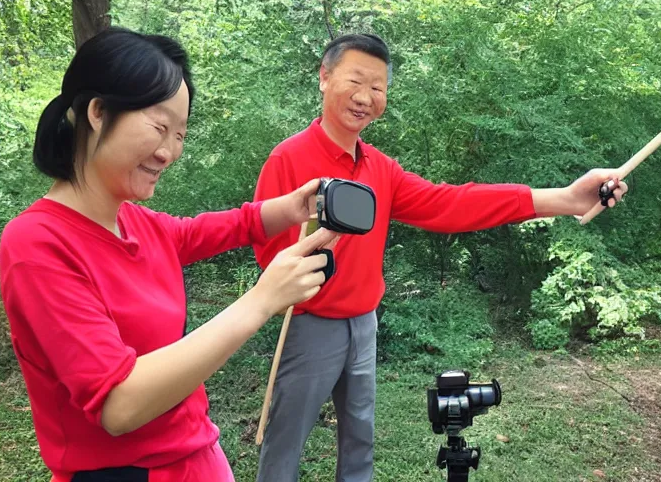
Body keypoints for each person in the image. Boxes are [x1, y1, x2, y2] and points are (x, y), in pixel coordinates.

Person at [252, 33, 628, 482]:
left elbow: (452, 203)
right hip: (310, 325)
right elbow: (266, 247)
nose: (365, 96)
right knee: (285, 444)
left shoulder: (380, 168)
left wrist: (565, 199)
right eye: (355, 80)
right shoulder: (288, 158)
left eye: (378, 87)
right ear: (325, 77)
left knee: (360, 441)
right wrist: (309, 259)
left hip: (365, 322)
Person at [0, 27, 338, 482]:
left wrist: (293, 207)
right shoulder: (37, 244)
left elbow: (220, 228)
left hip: (196, 457)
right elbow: (119, 404)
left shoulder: (134, 221)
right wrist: (262, 300)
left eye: (179, 134)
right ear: (98, 111)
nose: (169, 151)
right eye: (160, 127)